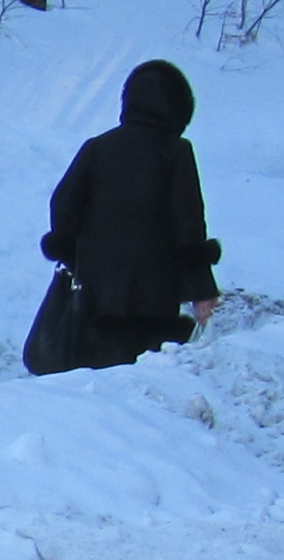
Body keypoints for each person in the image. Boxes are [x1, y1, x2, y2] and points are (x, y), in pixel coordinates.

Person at [41, 60, 222, 368]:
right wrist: (201, 290)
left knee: (94, 367)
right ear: (177, 107)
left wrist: (74, 253)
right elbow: (188, 222)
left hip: (98, 285)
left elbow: (63, 201)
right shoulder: (176, 151)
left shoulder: (98, 147)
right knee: (142, 370)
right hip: (155, 288)